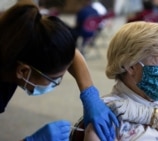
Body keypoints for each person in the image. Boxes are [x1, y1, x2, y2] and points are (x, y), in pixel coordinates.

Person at [0, 0, 118, 141]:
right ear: (24, 71)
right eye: (54, 79)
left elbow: (70, 54)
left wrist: (90, 95)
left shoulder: (19, 38)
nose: (56, 83)